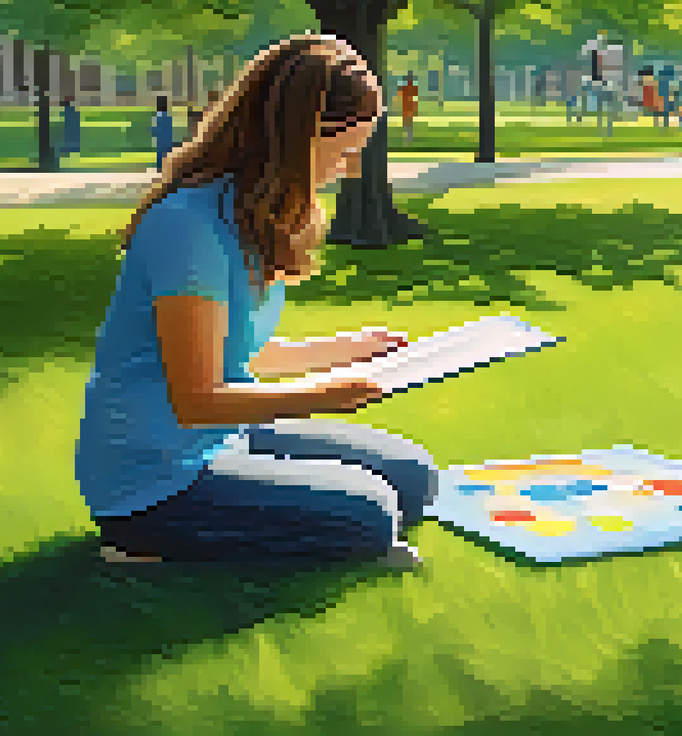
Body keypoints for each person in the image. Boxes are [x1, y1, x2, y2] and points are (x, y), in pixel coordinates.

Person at [78, 34, 436, 569]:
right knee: (372, 514)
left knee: (414, 478)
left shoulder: (253, 214)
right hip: (158, 472)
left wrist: (351, 348)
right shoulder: (189, 227)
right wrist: (320, 394)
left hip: (227, 434)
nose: (352, 169)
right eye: (345, 152)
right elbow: (196, 398)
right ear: (298, 140)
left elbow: (238, 353)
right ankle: (141, 541)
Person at [150, 95, 173, 172]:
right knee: (166, 152)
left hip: (160, 139)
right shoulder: (168, 117)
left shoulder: (156, 117)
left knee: (160, 153)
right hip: (167, 138)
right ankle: (166, 167)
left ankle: (160, 168)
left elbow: (154, 130)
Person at [399, 72, 419, 146]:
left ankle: (407, 138)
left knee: (408, 123)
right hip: (407, 107)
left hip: (408, 107)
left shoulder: (408, 88)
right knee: (407, 123)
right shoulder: (409, 88)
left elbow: (415, 98)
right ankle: (407, 138)